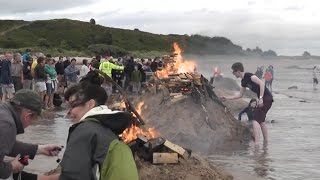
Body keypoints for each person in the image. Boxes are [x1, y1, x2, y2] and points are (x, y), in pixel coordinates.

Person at [46, 71, 139, 180]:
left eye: (72, 106)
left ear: (90, 104)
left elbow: (72, 177)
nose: (69, 112)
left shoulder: (85, 131)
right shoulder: (111, 129)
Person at [0, 89, 62, 180]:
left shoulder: (4, 112)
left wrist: (40, 149)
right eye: (34, 120)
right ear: (27, 116)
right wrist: (12, 166)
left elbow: (6, 144)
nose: (32, 123)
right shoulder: (7, 125)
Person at [221, 62, 273, 146]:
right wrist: (226, 98)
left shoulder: (250, 76)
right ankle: (265, 144)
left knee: (256, 120)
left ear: (237, 71)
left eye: (233, 72)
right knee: (261, 120)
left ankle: (257, 144)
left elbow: (262, 83)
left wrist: (260, 98)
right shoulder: (243, 81)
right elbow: (240, 95)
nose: (233, 74)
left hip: (266, 98)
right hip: (264, 98)